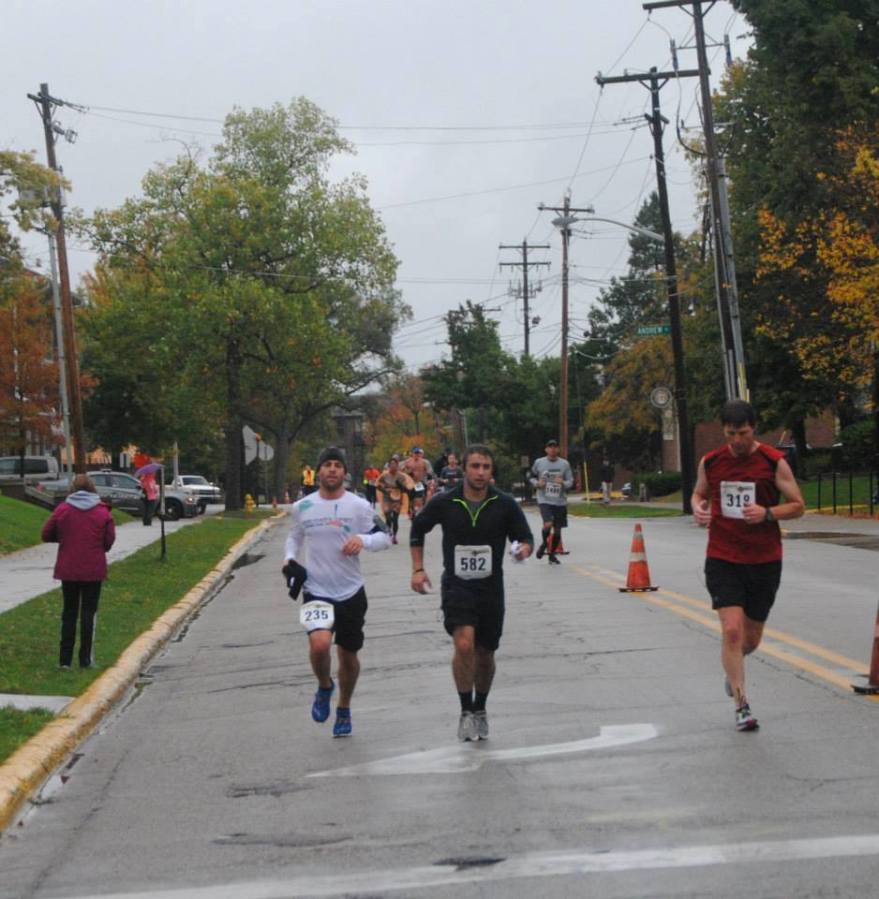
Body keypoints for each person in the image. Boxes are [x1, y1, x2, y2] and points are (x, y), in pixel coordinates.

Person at [691, 399, 805, 732]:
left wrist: (767, 513)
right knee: (731, 630)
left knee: (750, 640)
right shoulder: (712, 462)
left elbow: (798, 505)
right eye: (730, 434)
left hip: (764, 560)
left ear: (753, 428)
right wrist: (698, 507)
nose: (737, 440)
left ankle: (734, 669)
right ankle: (741, 705)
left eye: (742, 433)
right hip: (723, 557)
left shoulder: (773, 461)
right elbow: (698, 494)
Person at [410, 444, 533, 742]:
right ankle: (465, 710)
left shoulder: (504, 504)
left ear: (491, 471)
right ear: (463, 469)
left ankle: (480, 708)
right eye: (475, 466)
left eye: (486, 467)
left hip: (491, 587)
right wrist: (418, 569)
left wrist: (523, 550)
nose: (480, 472)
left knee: (485, 652)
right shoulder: (446, 501)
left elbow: (525, 537)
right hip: (458, 585)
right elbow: (418, 529)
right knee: (464, 644)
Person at [283, 447, 391, 738]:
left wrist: (363, 540)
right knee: (319, 646)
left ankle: (343, 707)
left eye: (337, 465)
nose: (332, 469)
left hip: (351, 591)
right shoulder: (303, 506)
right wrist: (289, 559)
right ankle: (324, 686)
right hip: (315, 589)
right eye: (327, 464)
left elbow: (385, 537)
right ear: (318, 471)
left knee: (348, 655)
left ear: (344, 472)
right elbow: (294, 538)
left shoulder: (359, 506)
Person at [41, 474, 116, 669]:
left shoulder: (63, 509)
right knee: (89, 612)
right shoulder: (102, 512)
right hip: (93, 569)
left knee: (69, 612)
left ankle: (64, 660)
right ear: (92, 489)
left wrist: (64, 538)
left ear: (72, 489)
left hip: (68, 568)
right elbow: (109, 540)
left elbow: (46, 534)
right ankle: (85, 659)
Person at [530, 439, 574, 565]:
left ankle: (552, 554)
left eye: (555, 447)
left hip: (560, 501)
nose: (552, 449)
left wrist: (563, 483)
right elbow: (530, 476)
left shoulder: (564, 464)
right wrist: (537, 483)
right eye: (550, 447)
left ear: (558, 449)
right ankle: (544, 544)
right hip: (544, 499)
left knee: (557, 530)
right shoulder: (539, 462)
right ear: (546, 449)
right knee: (548, 524)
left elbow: (570, 481)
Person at [377, 455, 410, 544]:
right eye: (391, 464)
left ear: (397, 465)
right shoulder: (384, 476)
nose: (393, 466)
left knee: (395, 518)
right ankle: (389, 534)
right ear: (388, 466)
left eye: (394, 464)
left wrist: (400, 485)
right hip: (387, 498)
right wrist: (384, 489)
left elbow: (406, 489)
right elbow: (378, 486)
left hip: (397, 498)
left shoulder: (401, 476)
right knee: (388, 518)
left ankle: (394, 536)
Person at [401, 446, 434, 517]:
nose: (416, 455)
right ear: (412, 454)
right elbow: (400, 470)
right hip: (409, 483)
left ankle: (418, 511)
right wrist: (407, 471)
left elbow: (430, 471)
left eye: (418, 453)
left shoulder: (424, 462)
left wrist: (429, 476)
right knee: (409, 500)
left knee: (419, 498)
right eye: (415, 453)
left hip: (419, 483)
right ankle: (411, 510)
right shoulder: (407, 462)